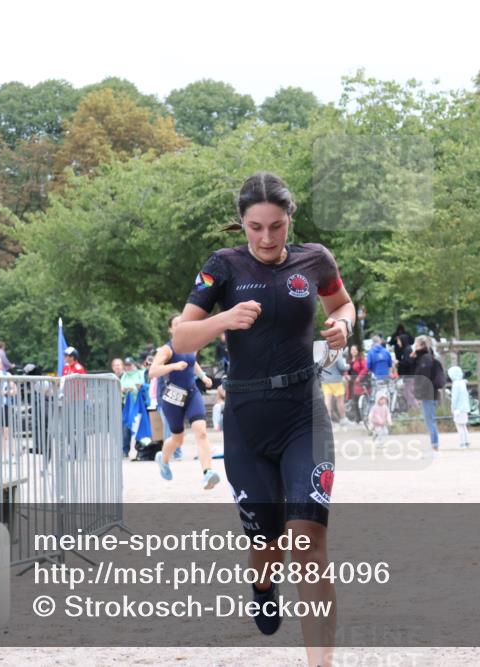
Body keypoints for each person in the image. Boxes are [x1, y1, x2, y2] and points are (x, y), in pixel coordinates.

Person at [172, 172, 352, 665]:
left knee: (308, 541)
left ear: (290, 219)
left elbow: (342, 303)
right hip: (248, 420)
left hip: (304, 414)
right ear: (243, 224)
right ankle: (262, 583)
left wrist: (342, 325)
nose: (267, 238)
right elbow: (181, 338)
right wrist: (222, 320)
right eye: (256, 227)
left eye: (277, 226)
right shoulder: (222, 266)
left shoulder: (316, 259)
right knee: (268, 541)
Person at [150, 313, 219, 490]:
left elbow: (192, 362)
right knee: (177, 439)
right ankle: (163, 459)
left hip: (192, 392)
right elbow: (153, 371)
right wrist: (173, 366)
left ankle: (208, 473)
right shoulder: (166, 349)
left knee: (201, 432)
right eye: (176, 324)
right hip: (173, 396)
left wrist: (203, 376)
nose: (180, 327)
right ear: (171, 329)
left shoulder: (192, 345)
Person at [409, 335, 443, 454]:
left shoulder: (425, 359)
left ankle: (434, 446)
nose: (414, 346)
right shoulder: (424, 358)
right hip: (430, 393)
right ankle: (434, 445)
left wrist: (418, 394)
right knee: (429, 420)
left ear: (421, 346)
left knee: (430, 420)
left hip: (428, 394)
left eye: (416, 344)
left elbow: (423, 378)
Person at [318, 343, 351, 428]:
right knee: (340, 401)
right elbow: (341, 367)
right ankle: (343, 419)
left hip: (325, 380)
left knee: (327, 401)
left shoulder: (322, 355)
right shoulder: (337, 354)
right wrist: (348, 366)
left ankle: (327, 421)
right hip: (336, 380)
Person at [447, 365, 471, 448]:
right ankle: (467, 442)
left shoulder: (455, 384)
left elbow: (455, 398)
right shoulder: (462, 383)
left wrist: (452, 408)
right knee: (464, 426)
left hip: (458, 409)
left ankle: (462, 443)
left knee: (459, 426)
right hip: (464, 408)